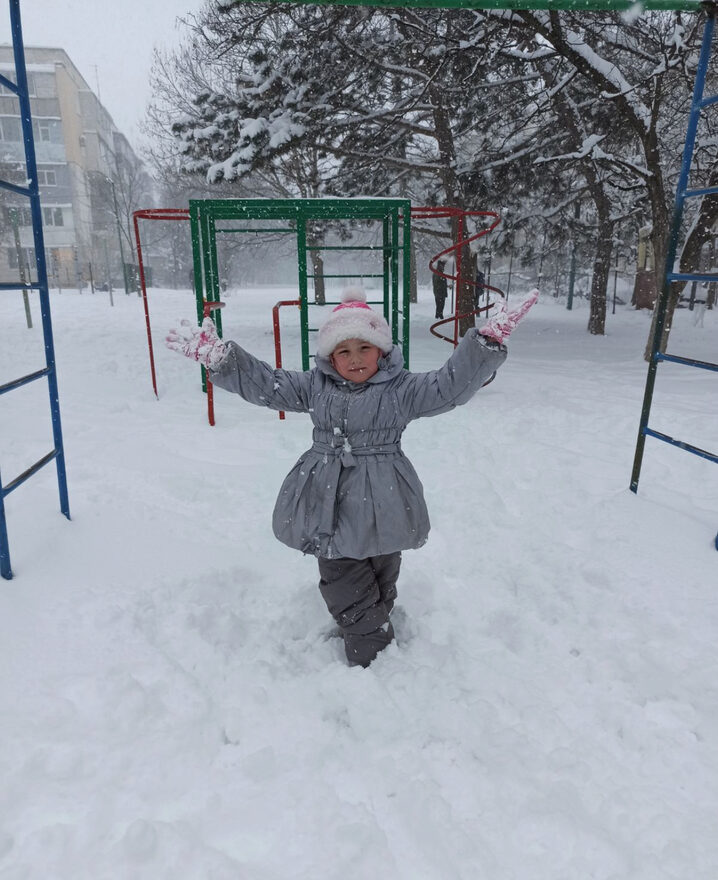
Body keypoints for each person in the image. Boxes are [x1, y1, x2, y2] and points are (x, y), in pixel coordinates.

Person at [166, 286, 538, 668]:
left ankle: (372, 625)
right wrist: (224, 360)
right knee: (342, 574)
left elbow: (449, 386)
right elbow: (269, 385)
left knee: (382, 574)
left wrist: (486, 343)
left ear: (382, 350)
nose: (355, 359)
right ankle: (371, 651)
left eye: (365, 348)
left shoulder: (402, 390)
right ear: (330, 357)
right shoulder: (316, 386)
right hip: (328, 501)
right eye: (343, 351)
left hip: (384, 500)